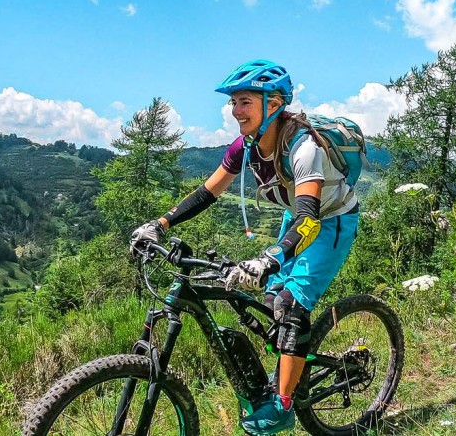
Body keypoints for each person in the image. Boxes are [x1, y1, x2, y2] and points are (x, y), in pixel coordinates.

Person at [129, 59, 361, 436]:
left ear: (273, 104)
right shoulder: (246, 146)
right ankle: (288, 361)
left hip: (329, 221)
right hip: (297, 218)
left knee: (292, 304)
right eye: (233, 102)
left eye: (245, 102)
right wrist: (160, 224)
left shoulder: (304, 149)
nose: (235, 111)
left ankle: (284, 404)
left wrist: (270, 257)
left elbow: (309, 220)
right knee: (269, 298)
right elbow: (208, 191)